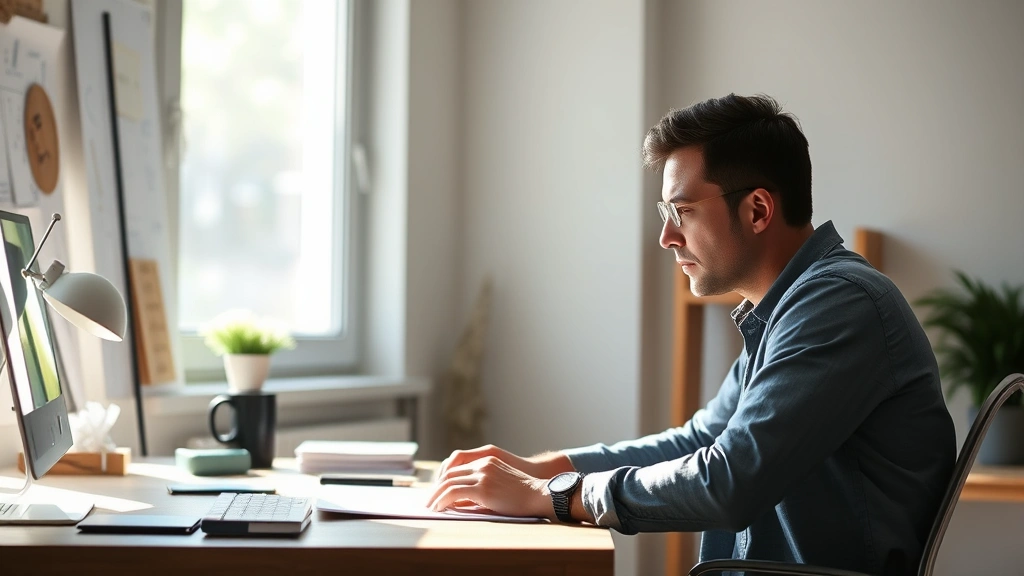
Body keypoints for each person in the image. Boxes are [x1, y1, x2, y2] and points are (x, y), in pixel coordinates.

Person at [427, 94, 955, 575]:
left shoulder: (839, 304)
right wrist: (538, 470)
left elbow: (729, 481)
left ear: (757, 210)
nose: (665, 236)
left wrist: (558, 495)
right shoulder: (789, 309)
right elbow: (703, 440)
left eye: (681, 211)